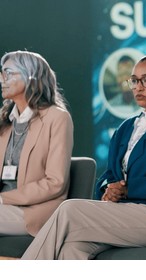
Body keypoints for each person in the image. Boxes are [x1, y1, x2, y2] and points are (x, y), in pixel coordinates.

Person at [22, 54, 146, 259]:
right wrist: (107, 190)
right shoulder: (126, 127)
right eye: (134, 80)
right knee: (73, 247)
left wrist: (129, 189)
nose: (138, 87)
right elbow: (110, 175)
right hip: (125, 213)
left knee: (69, 210)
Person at [0, 51, 73, 237]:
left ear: (31, 76)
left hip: (34, 210)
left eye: (8, 73)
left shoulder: (57, 117)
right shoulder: (5, 120)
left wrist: (3, 198)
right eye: (2, 73)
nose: (2, 79)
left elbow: (55, 182)